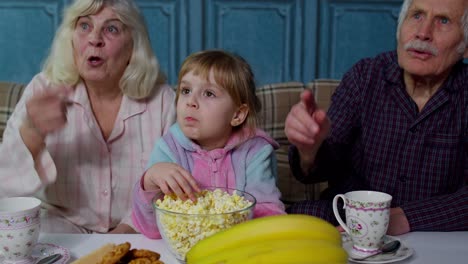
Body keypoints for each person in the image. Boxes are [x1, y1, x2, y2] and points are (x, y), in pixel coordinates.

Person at [284, 0, 467, 235]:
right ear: (400, 28)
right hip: (346, 221)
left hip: (434, 234)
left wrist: (406, 217)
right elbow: (324, 169)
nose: (423, 33)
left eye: (443, 21)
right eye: (417, 16)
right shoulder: (365, 77)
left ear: (465, 45)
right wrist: (309, 150)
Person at [0, 0, 176, 234]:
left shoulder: (163, 101)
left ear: (133, 46)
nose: (94, 38)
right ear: (71, 39)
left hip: (138, 231)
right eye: (84, 26)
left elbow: (173, 187)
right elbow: (6, 189)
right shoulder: (43, 89)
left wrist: (125, 232)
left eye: (111, 28)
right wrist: (32, 133)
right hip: (59, 229)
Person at [131, 50, 286, 238]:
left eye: (209, 93)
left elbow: (268, 215)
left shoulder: (255, 152)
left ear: (237, 115)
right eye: (186, 91)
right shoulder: (168, 149)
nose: (191, 102)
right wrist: (150, 180)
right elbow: (151, 230)